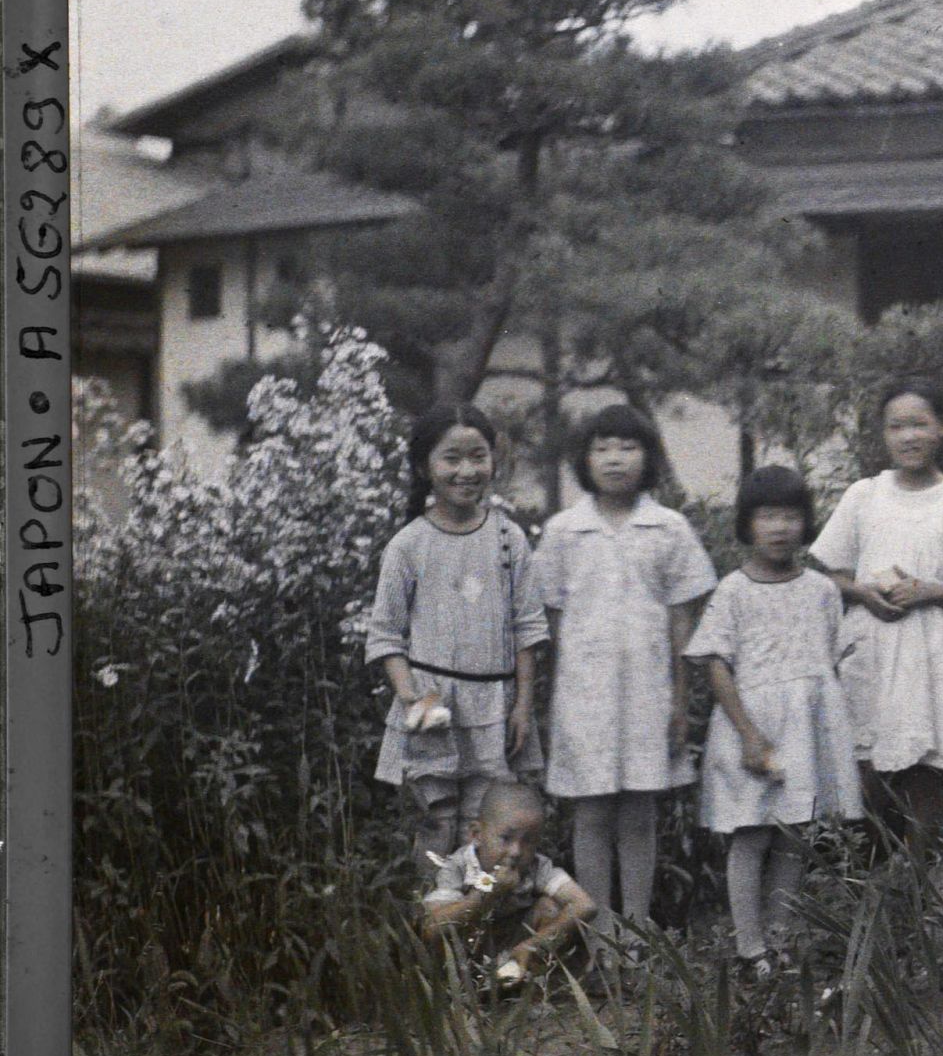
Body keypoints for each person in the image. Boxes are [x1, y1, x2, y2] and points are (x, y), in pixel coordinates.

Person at [536, 403, 718, 933]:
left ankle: (637, 929)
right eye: (602, 448)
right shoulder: (564, 532)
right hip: (584, 696)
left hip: (648, 694)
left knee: (639, 811)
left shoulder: (669, 528)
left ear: (649, 456)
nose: (615, 459)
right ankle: (598, 932)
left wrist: (679, 704)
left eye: (627, 447)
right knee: (591, 812)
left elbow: (684, 626)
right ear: (584, 460)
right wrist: (554, 704)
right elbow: (549, 626)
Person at [688, 465, 864, 980]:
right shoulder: (734, 590)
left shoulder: (822, 590)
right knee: (750, 834)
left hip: (805, 730)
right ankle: (749, 949)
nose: (780, 528)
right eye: (767, 516)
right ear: (748, 524)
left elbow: (830, 662)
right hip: (753, 729)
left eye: (790, 516)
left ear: (805, 523)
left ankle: (780, 940)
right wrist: (748, 735)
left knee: (793, 834)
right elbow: (716, 663)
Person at [368, 403, 548, 867]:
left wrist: (523, 706)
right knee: (437, 823)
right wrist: (415, 702)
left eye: (478, 456)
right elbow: (387, 637)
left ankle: (478, 918)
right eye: (452, 458)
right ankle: (432, 924)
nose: (466, 470)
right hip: (431, 706)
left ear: (493, 460)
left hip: (496, 708)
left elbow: (528, 629)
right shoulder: (409, 544)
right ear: (424, 466)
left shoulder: (509, 540)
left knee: (485, 831)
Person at [809, 376, 943, 860]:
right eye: (897, 426)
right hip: (873, 649)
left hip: (931, 652)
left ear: (942, 428)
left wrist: (926, 590)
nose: (909, 437)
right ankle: (866, 885)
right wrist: (865, 591)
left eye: (920, 424)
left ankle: (916, 885)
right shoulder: (865, 496)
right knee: (868, 769)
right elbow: (832, 574)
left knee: (925, 772)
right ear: (883, 435)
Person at [421, 780, 598, 980]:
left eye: (529, 841)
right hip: (468, 949)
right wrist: (486, 894)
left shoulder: (537, 865)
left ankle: (527, 983)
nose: (516, 851)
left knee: (549, 907)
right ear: (476, 834)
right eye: (506, 838)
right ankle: (455, 985)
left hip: (513, 949)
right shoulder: (457, 866)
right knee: (444, 928)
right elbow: (431, 928)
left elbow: (585, 905)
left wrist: (534, 944)